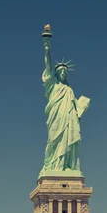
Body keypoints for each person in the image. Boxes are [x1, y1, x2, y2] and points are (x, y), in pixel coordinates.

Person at [40, 27, 90, 175]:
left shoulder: (69, 90)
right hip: (56, 117)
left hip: (69, 118)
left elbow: (76, 106)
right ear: (56, 74)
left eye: (64, 72)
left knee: (68, 141)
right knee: (54, 140)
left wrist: (82, 106)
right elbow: (48, 67)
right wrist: (47, 49)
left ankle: (66, 166)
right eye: (60, 72)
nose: (62, 73)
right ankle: (54, 166)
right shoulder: (53, 85)